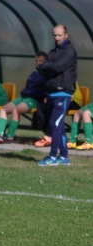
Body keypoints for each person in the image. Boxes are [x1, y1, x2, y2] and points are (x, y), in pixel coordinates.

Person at [36, 24, 77, 166]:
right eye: (55, 35)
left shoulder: (70, 51)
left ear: (66, 35)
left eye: (60, 35)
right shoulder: (52, 52)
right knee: (58, 126)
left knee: (55, 124)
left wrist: (50, 67)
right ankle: (64, 157)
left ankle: (53, 156)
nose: (57, 38)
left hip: (63, 93)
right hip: (51, 93)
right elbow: (42, 68)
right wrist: (49, 67)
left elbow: (58, 66)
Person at [0, 52, 48, 144]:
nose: (38, 63)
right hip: (24, 97)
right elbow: (28, 87)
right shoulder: (33, 74)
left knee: (16, 110)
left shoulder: (47, 75)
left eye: (41, 61)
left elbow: (47, 89)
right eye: (36, 61)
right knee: (3, 109)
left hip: (34, 100)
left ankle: (9, 137)